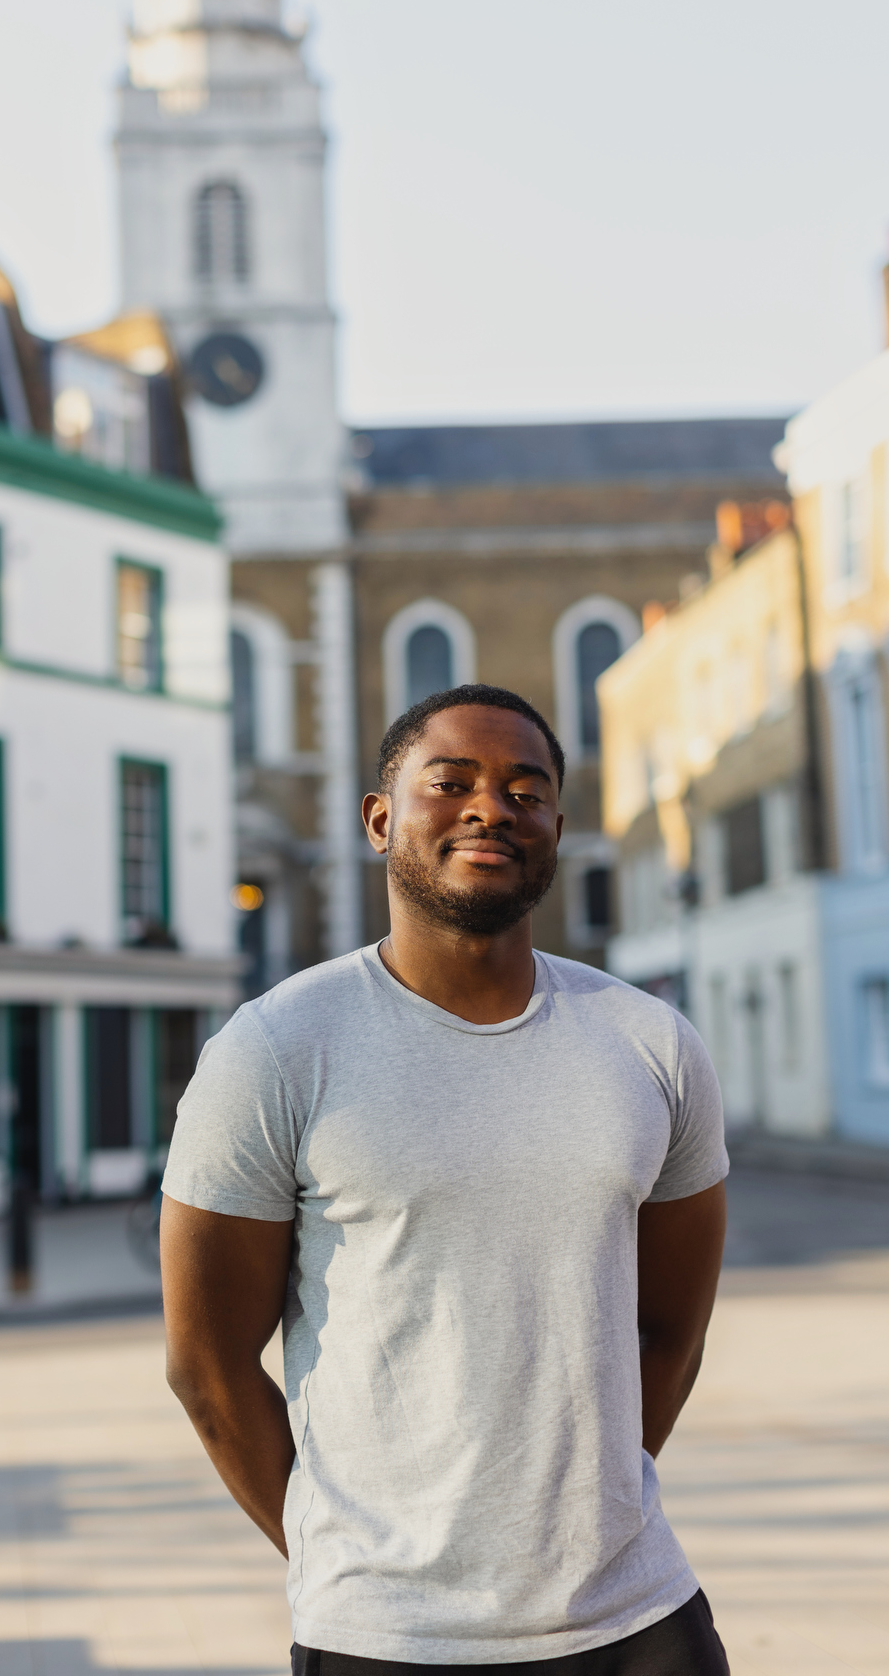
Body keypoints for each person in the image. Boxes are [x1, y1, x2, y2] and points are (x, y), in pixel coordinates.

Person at [161, 684, 730, 1674]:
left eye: (527, 789)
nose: (492, 808)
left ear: (555, 826)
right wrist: (354, 1572)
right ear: (381, 820)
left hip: (638, 1623)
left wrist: (582, 1515)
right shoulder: (279, 1047)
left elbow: (672, 1333)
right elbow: (206, 1365)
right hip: (387, 1640)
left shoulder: (651, 1044)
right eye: (452, 781)